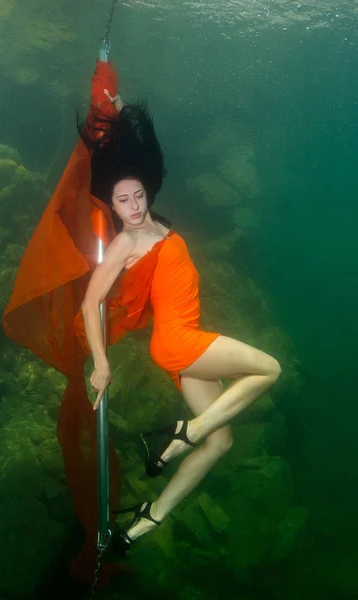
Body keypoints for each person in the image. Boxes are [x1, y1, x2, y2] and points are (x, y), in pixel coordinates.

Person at [78, 88, 282, 558]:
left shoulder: (157, 226)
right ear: (112, 206)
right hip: (178, 342)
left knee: (221, 442)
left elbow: (140, 154)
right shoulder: (128, 243)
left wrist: (121, 110)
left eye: (138, 195)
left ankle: (145, 522)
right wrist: (100, 363)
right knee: (269, 369)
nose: (132, 205)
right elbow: (92, 303)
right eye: (122, 200)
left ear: (148, 191)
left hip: (179, 348)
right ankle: (183, 435)